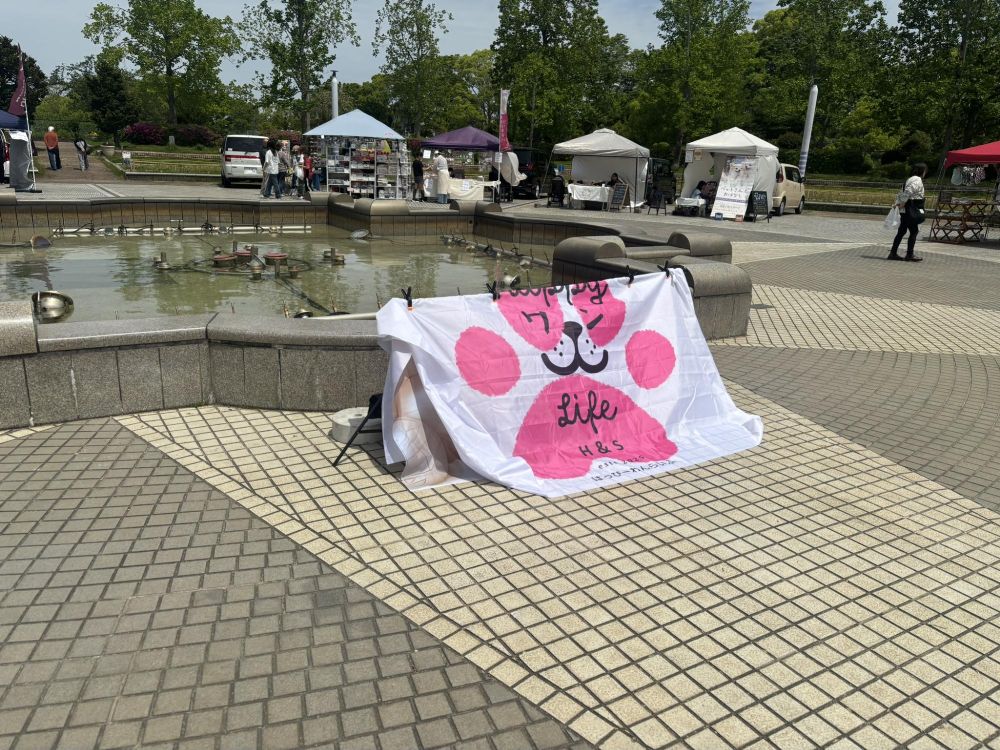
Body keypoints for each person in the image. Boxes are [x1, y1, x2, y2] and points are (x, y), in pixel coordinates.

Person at [888, 163, 927, 262]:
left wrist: (899, 203)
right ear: (922, 171)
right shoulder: (917, 180)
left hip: (905, 209)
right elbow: (908, 192)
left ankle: (893, 253)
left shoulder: (910, 179)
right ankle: (909, 254)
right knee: (914, 231)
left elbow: (902, 192)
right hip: (910, 208)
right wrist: (902, 203)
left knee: (901, 231)